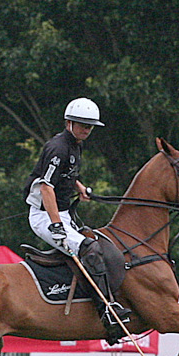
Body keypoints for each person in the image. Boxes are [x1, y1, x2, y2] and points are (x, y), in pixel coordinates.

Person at [24, 97, 131, 335]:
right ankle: (107, 310)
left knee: (99, 243)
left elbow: (67, 174)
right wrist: (56, 225)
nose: (86, 130)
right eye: (82, 125)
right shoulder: (58, 148)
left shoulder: (75, 144)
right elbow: (46, 187)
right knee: (89, 250)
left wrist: (79, 187)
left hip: (62, 212)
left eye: (90, 126)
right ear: (68, 123)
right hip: (45, 215)